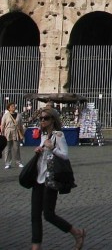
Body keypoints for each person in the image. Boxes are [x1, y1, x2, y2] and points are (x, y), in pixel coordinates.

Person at [30, 106, 86, 250]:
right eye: (41, 118)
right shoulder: (43, 136)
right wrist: (39, 150)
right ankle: (36, 246)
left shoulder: (59, 135)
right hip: (38, 178)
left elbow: (65, 155)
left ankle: (77, 233)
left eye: (45, 118)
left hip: (51, 179)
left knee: (48, 215)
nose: (42, 121)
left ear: (53, 120)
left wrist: (52, 148)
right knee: (35, 215)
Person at [2, 101, 24, 168]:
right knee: (7, 149)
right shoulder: (5, 115)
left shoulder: (19, 115)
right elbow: (3, 125)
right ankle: (7, 163)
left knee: (16, 148)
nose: (14, 107)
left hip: (16, 133)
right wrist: (2, 133)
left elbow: (21, 125)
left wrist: (22, 134)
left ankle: (18, 162)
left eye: (14, 106)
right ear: (9, 108)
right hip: (7, 133)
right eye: (12, 106)